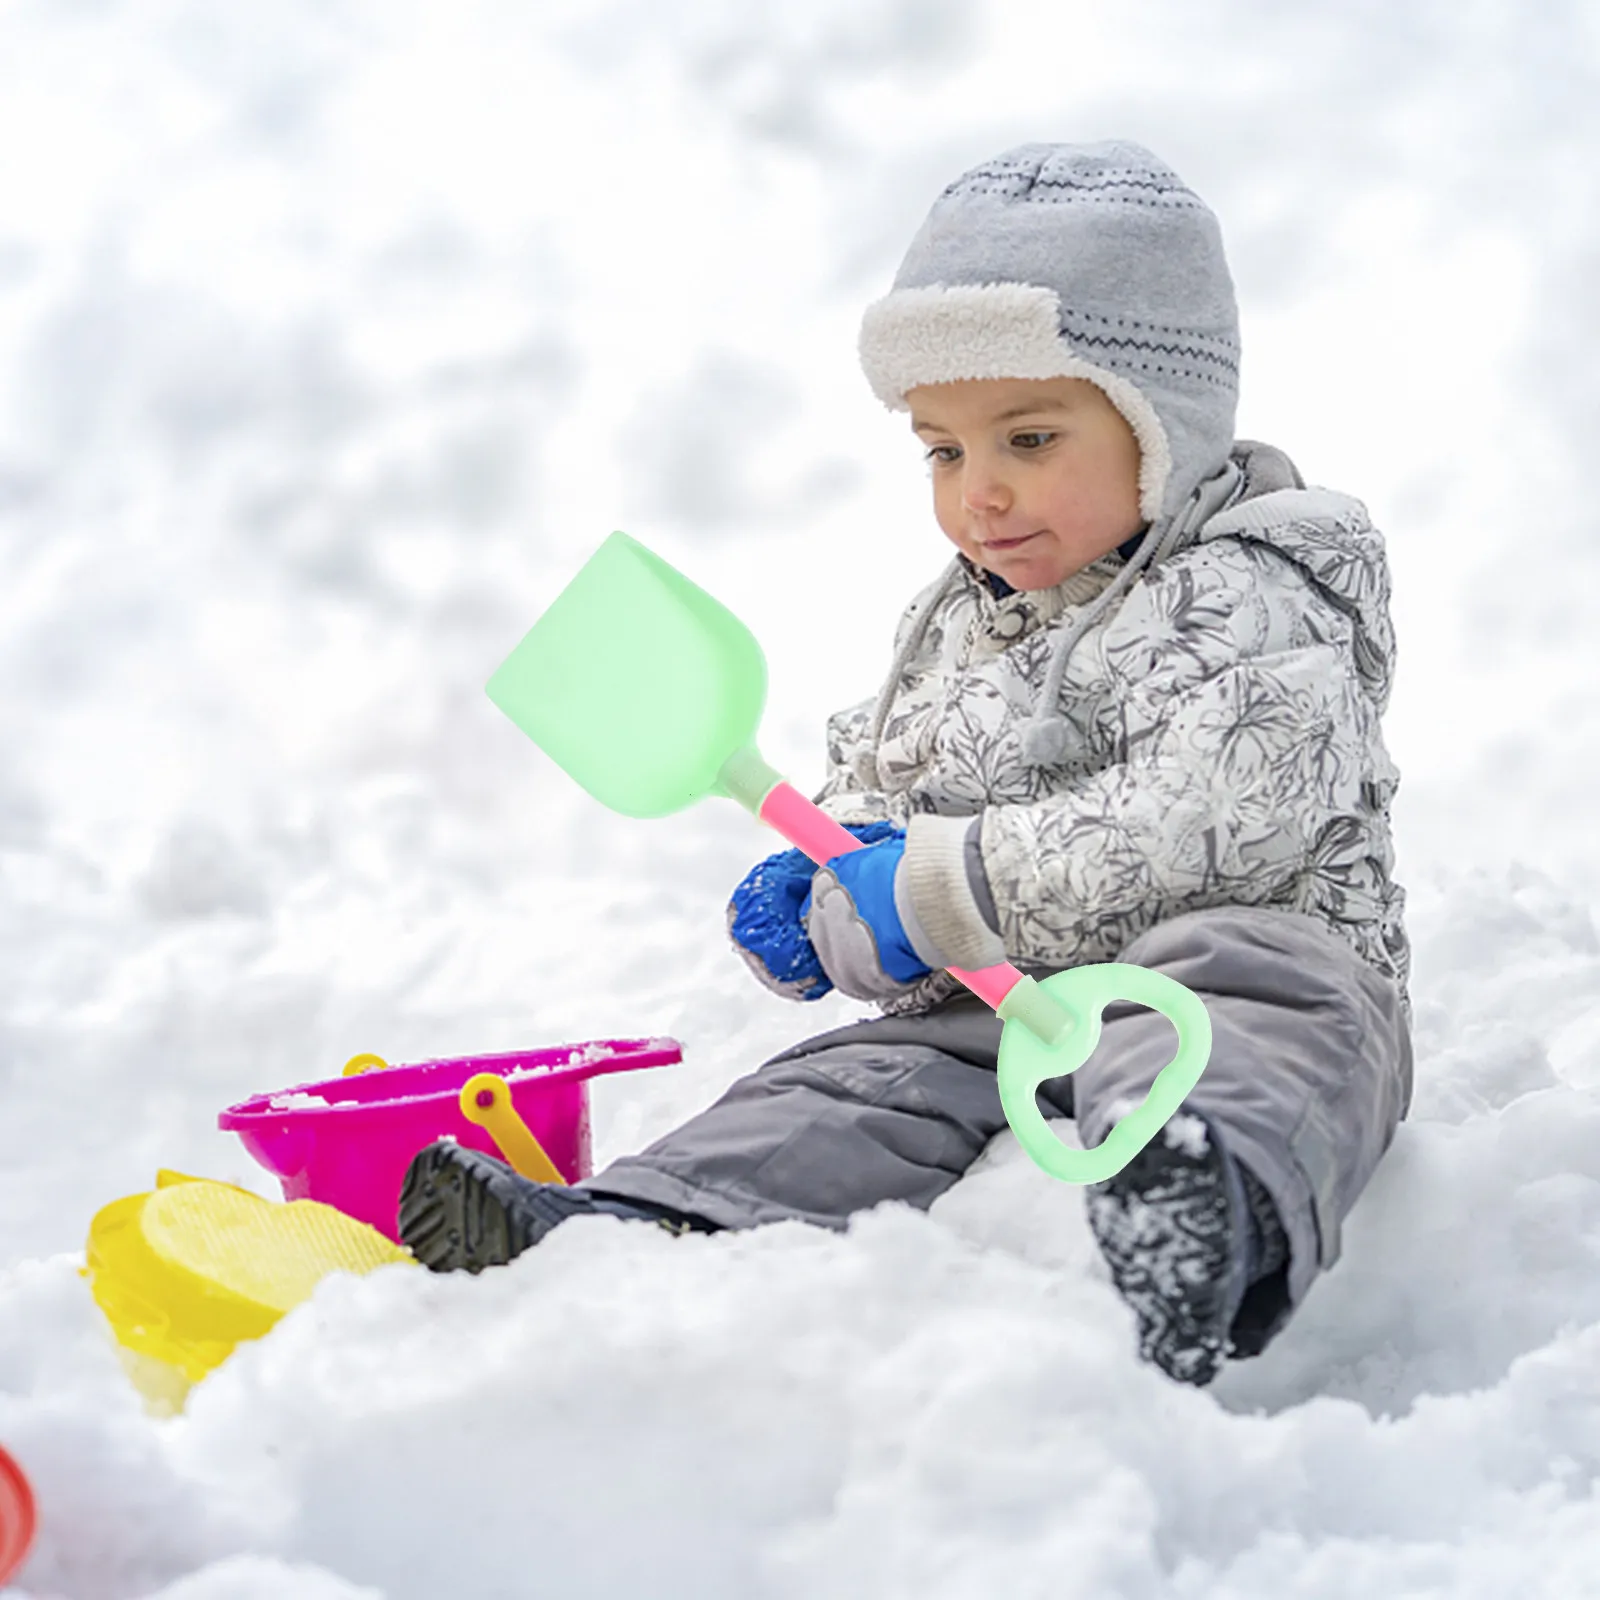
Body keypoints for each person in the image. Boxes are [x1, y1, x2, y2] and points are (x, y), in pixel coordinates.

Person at [398, 141, 1413, 1388]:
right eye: (941, 451)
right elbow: (887, 792)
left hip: (1242, 953)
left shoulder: (1257, 590)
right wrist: (835, 894)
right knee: (852, 1079)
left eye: (1028, 439)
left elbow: (1211, 819)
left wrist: (940, 885)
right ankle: (634, 1229)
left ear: (1165, 427)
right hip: (999, 993)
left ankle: (1207, 1209)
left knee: (1251, 1019)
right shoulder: (957, 617)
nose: (978, 495)